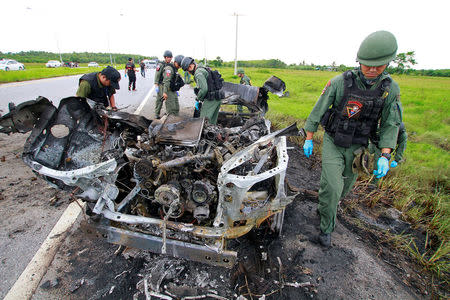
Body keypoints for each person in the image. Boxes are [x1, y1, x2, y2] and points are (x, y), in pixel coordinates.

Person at [302, 31, 403, 247]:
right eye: (368, 65)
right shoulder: (340, 82)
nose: (372, 69)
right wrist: (309, 137)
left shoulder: (389, 90)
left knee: (344, 188)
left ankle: (326, 206)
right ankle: (326, 229)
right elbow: (318, 109)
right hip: (333, 142)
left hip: (359, 147)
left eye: (379, 65)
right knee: (332, 186)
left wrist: (385, 155)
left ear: (388, 63)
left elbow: (390, 124)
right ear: (359, 61)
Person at [180, 57, 224, 125]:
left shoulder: (198, 73)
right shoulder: (204, 68)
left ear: (191, 66)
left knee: (203, 122)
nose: (188, 72)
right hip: (218, 98)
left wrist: (198, 99)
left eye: (188, 70)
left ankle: (204, 135)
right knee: (212, 122)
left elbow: (204, 89)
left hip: (211, 99)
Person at [154, 50, 172, 119]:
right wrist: (156, 85)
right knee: (160, 99)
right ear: (165, 57)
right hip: (161, 84)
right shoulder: (161, 64)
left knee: (169, 99)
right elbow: (157, 75)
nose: (169, 58)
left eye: (170, 57)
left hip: (167, 84)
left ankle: (169, 112)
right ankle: (157, 113)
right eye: (168, 57)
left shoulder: (170, 65)